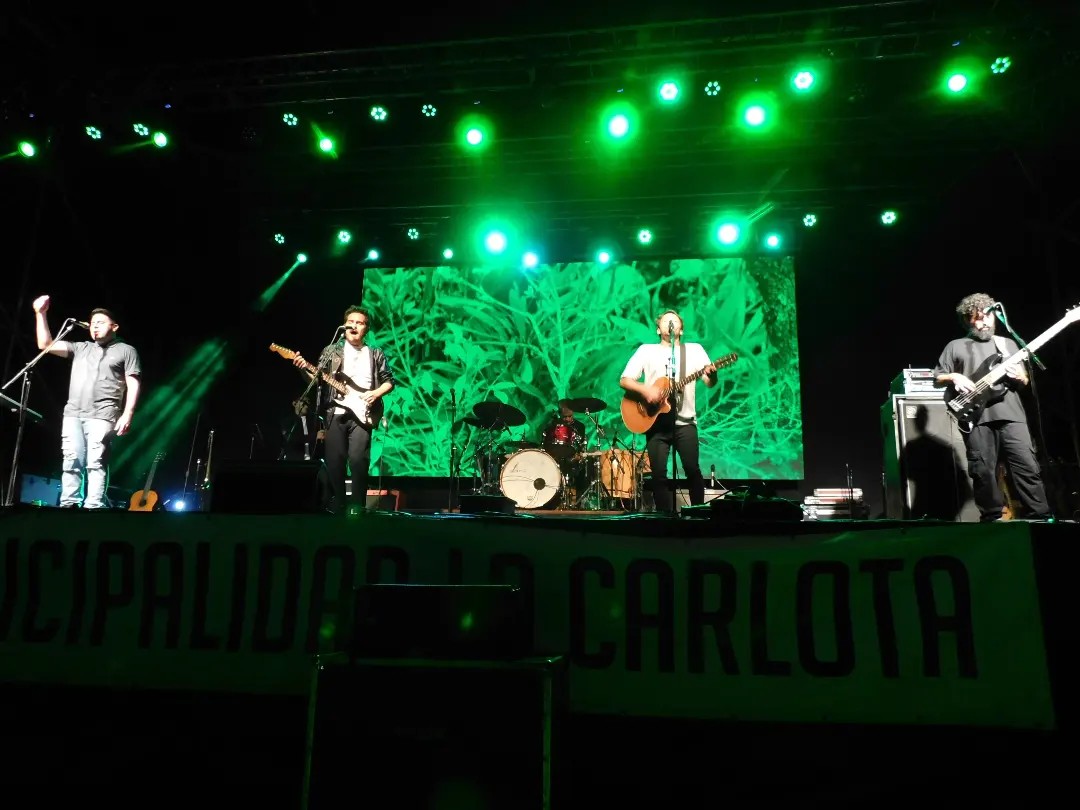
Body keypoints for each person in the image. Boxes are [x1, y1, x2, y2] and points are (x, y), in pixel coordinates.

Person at [933, 292, 1052, 522]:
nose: (984, 322)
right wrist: (955, 376)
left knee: (1027, 466)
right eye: (977, 319)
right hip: (976, 416)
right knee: (983, 471)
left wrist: (1019, 376)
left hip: (1012, 414)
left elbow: (1024, 380)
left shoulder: (1007, 344)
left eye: (987, 317)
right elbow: (937, 377)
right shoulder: (955, 346)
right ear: (967, 320)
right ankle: (991, 518)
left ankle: (1039, 516)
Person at [32, 295, 141, 509]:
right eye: (92, 323)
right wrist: (40, 314)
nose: (95, 326)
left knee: (96, 462)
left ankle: (94, 506)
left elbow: (133, 382)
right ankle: (69, 504)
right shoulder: (81, 348)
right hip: (73, 414)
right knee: (71, 460)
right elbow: (45, 345)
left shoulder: (127, 350)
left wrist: (128, 413)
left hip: (103, 414)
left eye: (100, 322)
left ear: (114, 326)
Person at [292, 305, 395, 514]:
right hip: (335, 412)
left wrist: (375, 393)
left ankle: (357, 507)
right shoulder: (332, 351)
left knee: (358, 460)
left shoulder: (375, 353)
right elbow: (317, 380)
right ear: (344, 325)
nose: (354, 326)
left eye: (359, 323)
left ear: (366, 328)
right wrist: (302, 368)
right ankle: (337, 505)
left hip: (363, 412)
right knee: (334, 461)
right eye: (350, 322)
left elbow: (389, 381)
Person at [619, 310, 717, 513]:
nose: (670, 323)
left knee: (692, 470)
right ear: (658, 329)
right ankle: (663, 517)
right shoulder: (646, 351)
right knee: (659, 475)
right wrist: (646, 390)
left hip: (685, 422)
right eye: (665, 321)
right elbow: (625, 380)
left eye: (674, 321)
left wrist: (712, 375)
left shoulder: (695, 350)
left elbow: (709, 382)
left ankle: (698, 515)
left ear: (681, 330)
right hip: (655, 422)